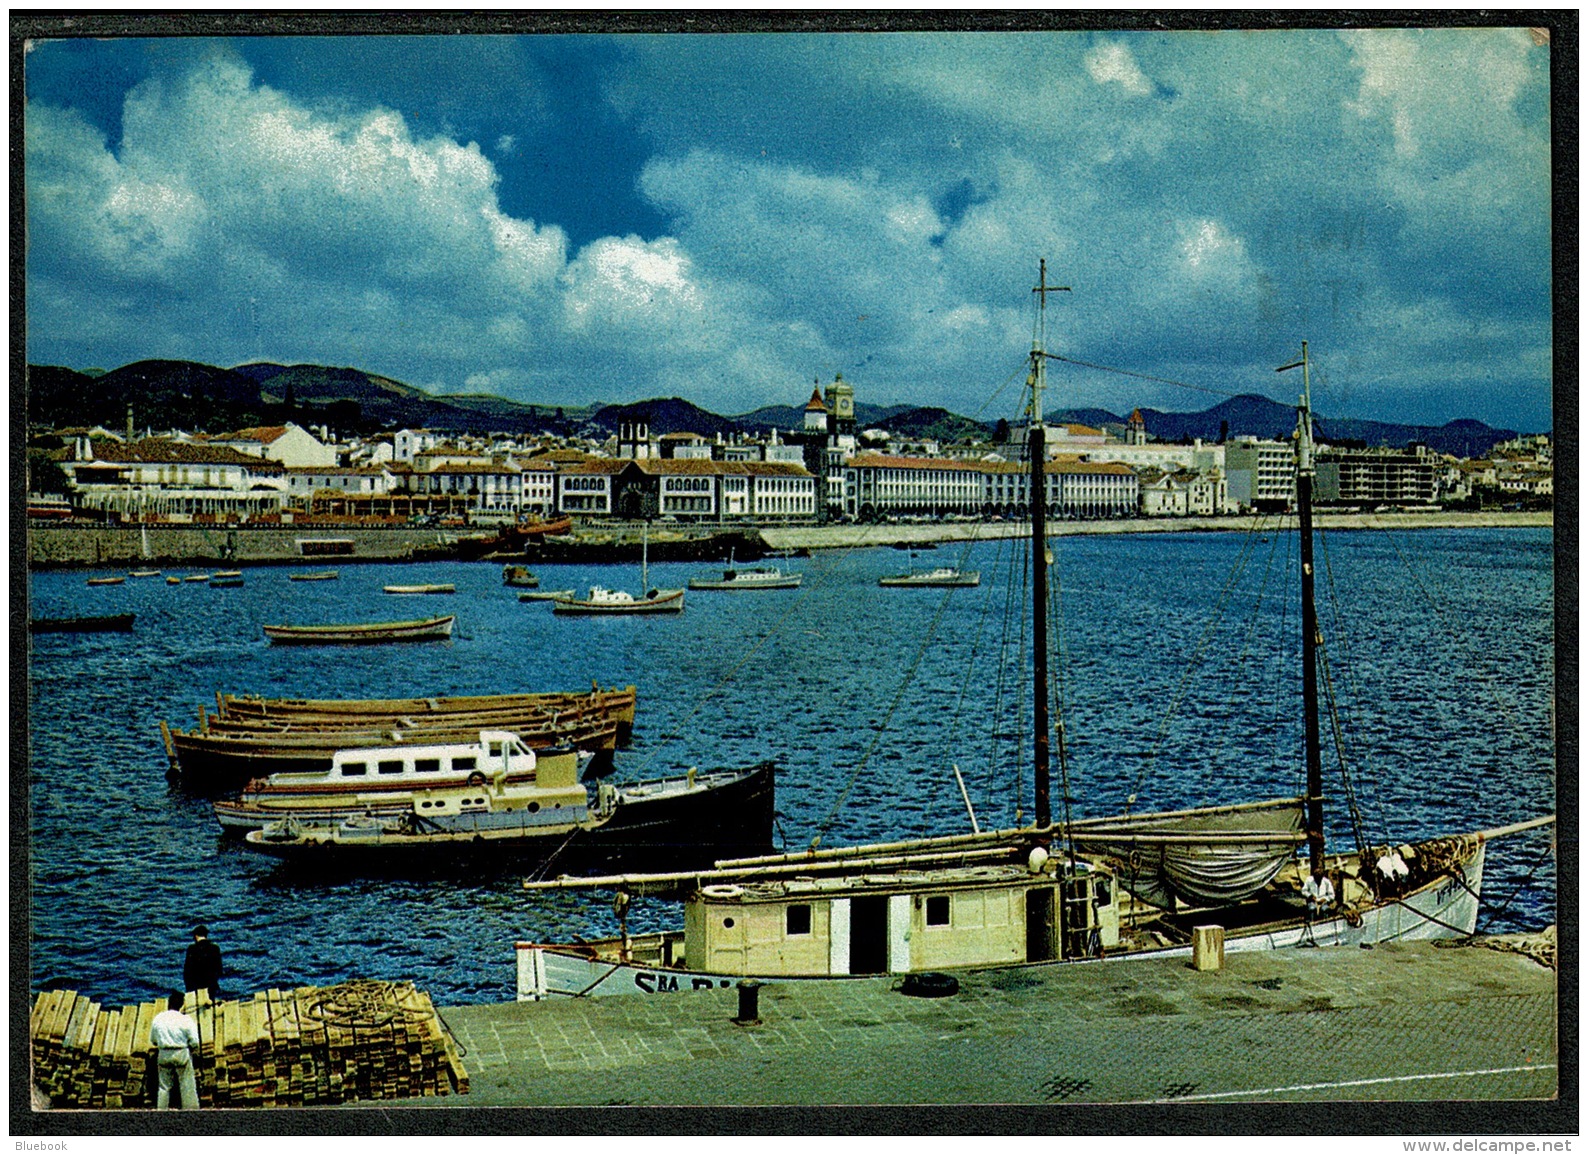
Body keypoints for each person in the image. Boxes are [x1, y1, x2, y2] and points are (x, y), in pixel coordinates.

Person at [149, 992, 200, 1109]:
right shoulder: (185, 1020)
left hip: (164, 1053)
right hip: (181, 1052)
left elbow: (153, 1040)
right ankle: (190, 1111)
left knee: (164, 1086)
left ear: (169, 1003)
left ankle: (161, 1111)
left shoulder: (158, 1019)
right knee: (186, 1084)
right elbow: (194, 1042)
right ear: (181, 1005)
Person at [183, 925, 223, 999]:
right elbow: (219, 969)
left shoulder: (192, 949)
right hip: (211, 985)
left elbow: (187, 971)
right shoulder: (215, 948)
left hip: (195, 986)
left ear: (196, 936)